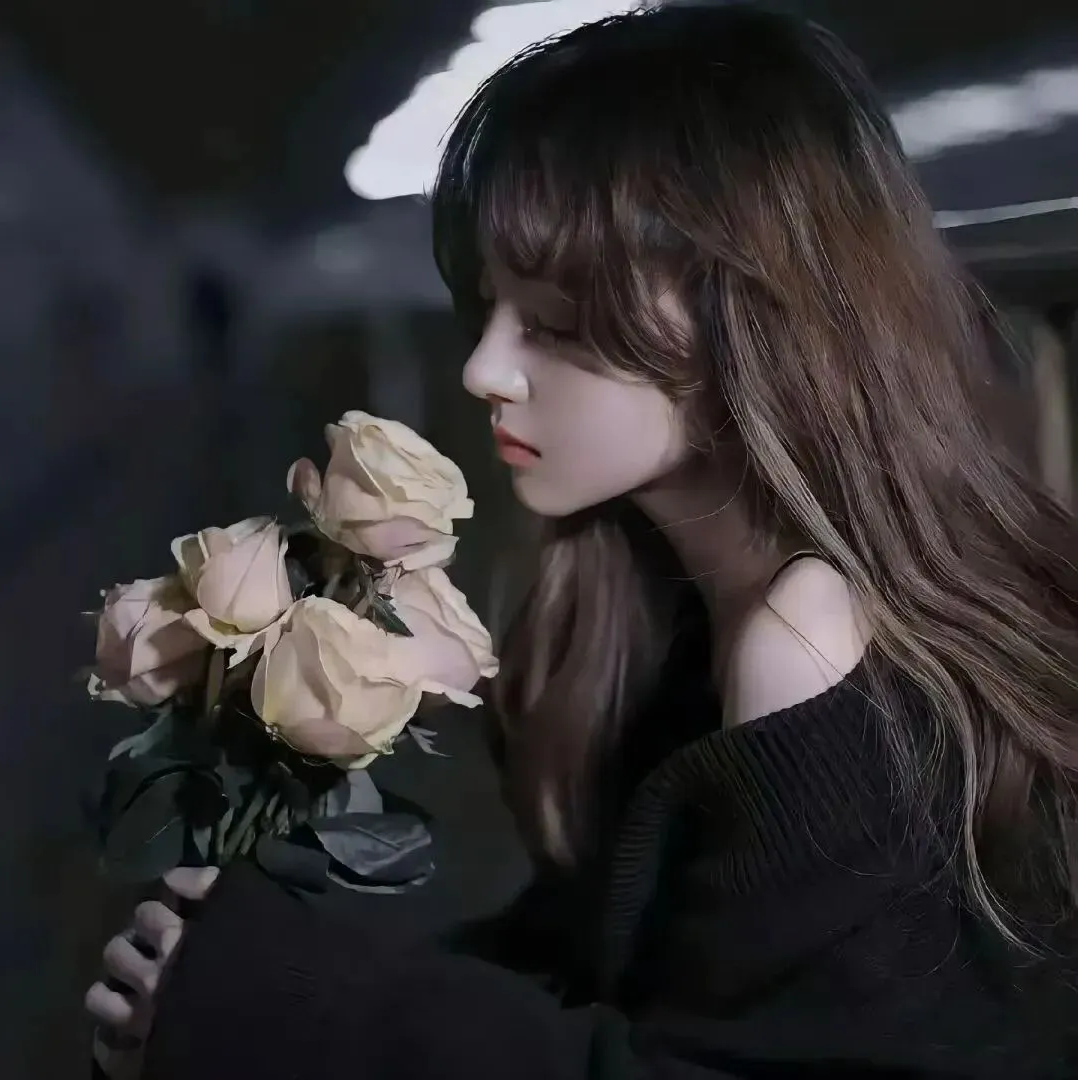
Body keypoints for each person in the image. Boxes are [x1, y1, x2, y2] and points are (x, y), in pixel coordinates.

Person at [87, 5, 1078, 1078]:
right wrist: (241, 977)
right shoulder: (676, 604)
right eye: (488, 308)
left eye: (556, 323)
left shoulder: (806, 639)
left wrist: (276, 1010)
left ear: (750, 320)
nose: (484, 370)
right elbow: (614, 968)